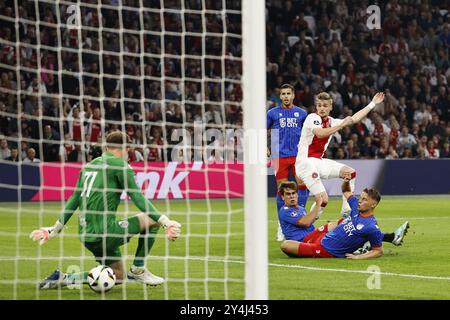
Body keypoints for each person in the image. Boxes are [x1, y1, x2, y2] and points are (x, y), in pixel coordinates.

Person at [30, 131, 182, 288]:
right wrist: (165, 221)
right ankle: (138, 269)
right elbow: (137, 197)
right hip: (105, 232)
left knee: (119, 276)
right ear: (124, 147)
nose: (128, 155)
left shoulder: (89, 166)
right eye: (128, 150)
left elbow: (75, 198)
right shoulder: (120, 165)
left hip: (86, 235)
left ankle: (63, 278)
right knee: (151, 220)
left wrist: (55, 228)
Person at [294, 92, 385, 218]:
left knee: (350, 173)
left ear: (331, 107)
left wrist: (372, 103)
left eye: (325, 105)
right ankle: (305, 226)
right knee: (323, 200)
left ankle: (346, 212)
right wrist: (342, 125)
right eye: (319, 105)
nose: (321, 108)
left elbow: (354, 119)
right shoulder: (312, 118)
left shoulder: (332, 121)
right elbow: (320, 133)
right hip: (305, 163)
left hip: (318, 162)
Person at [279, 180, 409, 259]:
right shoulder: (355, 208)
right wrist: (346, 180)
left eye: (364, 199)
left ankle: (380, 241)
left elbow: (378, 251)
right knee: (342, 221)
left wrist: (358, 258)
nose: (359, 201)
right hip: (320, 238)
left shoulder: (371, 226)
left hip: (326, 249)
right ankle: (387, 239)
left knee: (285, 245)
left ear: (373, 204)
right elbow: (346, 191)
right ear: (282, 197)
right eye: (360, 198)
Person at [267, 83, 308, 241]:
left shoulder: (302, 113)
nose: (285, 96)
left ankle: (301, 215)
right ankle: (281, 225)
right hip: (279, 155)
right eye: (283, 94)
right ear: (280, 96)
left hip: (298, 155)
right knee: (281, 190)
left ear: (293, 95)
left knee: (302, 185)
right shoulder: (272, 113)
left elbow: (309, 133)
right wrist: (266, 146)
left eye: (288, 94)